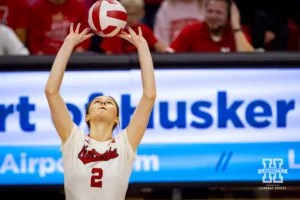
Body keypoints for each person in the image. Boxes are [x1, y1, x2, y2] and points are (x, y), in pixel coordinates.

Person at [44, 23, 156, 200]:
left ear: (117, 119)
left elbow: (149, 96)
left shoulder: (125, 143)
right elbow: (51, 91)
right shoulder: (73, 139)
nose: (103, 103)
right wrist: (68, 45)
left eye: (109, 103)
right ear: (87, 115)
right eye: (97, 102)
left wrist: (142, 47)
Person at [169, 0, 254, 53]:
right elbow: (169, 57)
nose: (213, 16)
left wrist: (236, 26)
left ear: (229, 15)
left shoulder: (238, 35)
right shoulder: (190, 32)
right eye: (210, 11)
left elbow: (251, 62)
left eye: (219, 12)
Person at [100, 0, 167, 54]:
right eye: (127, 14)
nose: (130, 18)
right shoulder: (114, 30)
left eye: (133, 14)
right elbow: (108, 53)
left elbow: (158, 46)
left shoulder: (144, 30)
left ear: (141, 13)